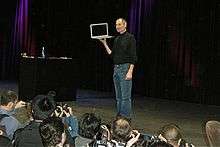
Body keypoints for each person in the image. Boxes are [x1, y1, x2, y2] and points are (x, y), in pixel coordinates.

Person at [99, 18, 137, 119]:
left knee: (125, 97)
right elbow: (112, 55)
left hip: (125, 68)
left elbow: (133, 56)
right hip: (116, 69)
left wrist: (130, 71)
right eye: (116, 25)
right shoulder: (117, 39)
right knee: (118, 97)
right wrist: (105, 43)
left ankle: (126, 118)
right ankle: (120, 116)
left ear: (125, 25)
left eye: (119, 24)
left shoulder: (130, 38)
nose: (117, 26)